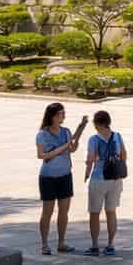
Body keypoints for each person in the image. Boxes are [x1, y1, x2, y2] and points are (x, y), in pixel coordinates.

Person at [36, 102, 87, 256]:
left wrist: (78, 135)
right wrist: (61, 149)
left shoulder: (66, 132)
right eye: (60, 114)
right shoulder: (42, 134)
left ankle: (61, 242)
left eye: (63, 113)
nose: (63, 116)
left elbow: (71, 148)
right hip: (48, 177)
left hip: (65, 176)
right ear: (51, 116)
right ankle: (44, 244)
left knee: (64, 212)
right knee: (47, 212)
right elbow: (41, 155)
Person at [82, 110, 126, 256]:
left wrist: (86, 174)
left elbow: (91, 159)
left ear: (96, 124)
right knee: (111, 212)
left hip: (98, 179)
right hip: (115, 179)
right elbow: (124, 154)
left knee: (94, 213)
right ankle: (110, 244)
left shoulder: (94, 139)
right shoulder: (117, 136)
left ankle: (95, 245)